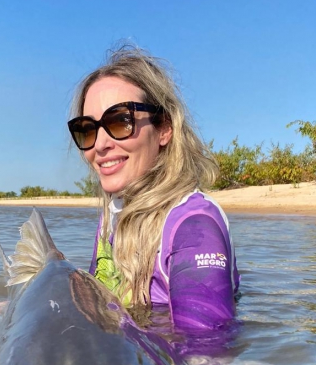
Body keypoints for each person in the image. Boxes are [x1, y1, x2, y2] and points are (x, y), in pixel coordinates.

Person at [68, 46, 239, 334]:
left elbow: (206, 354)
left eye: (120, 121)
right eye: (88, 129)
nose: (100, 144)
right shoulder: (114, 214)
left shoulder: (194, 225)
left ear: (164, 129)